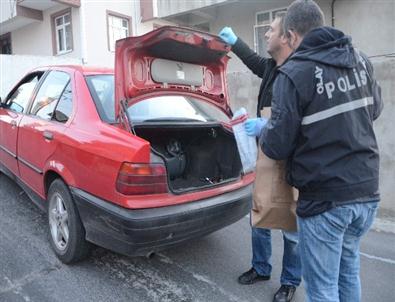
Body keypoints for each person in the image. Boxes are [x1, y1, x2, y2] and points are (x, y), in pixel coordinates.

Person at [259, 1, 383, 301]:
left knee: (323, 287)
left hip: (325, 199)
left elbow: (277, 145)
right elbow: (374, 110)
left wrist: (262, 130)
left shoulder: (293, 73)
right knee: (348, 271)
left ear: (291, 35)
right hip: (366, 193)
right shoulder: (360, 59)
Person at [219, 12, 301, 302]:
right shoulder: (270, 66)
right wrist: (235, 42)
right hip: (266, 149)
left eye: (271, 29)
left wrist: (267, 124)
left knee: (291, 224)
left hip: (291, 156)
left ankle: (290, 281)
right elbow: (254, 61)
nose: (266, 34)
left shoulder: (300, 70)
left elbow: (304, 120)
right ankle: (261, 267)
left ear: (287, 36)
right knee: (259, 214)